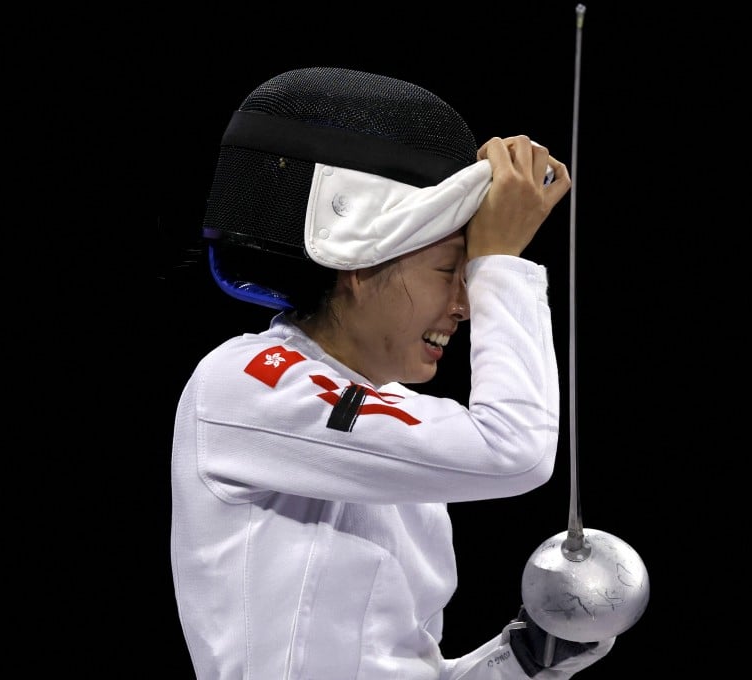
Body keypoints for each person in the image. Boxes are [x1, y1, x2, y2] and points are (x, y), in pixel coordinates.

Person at [170, 66, 617, 679]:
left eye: (470, 274)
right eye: (450, 270)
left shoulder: (395, 425)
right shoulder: (245, 381)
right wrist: (501, 262)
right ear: (361, 261)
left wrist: (520, 661)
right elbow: (515, 450)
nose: (465, 305)